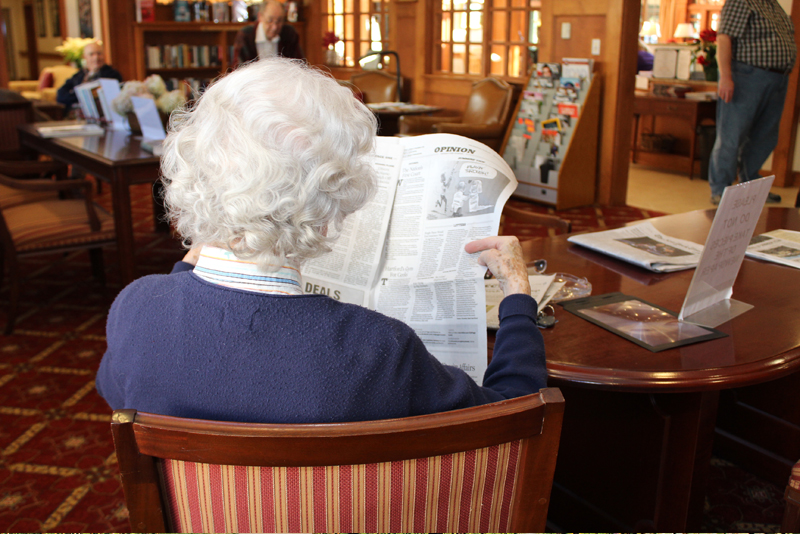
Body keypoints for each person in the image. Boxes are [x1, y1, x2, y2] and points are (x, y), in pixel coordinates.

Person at [95, 58, 547, 425]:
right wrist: (518, 298)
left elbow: (124, 391)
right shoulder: (375, 348)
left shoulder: (135, 308)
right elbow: (512, 411)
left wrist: (189, 268)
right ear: (334, 200)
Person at [708, 0, 796, 205]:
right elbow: (724, 37)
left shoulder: (773, 5)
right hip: (746, 76)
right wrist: (726, 76)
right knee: (731, 134)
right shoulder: (742, 1)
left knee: (765, 136)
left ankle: (749, 185)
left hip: (778, 78)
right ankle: (721, 188)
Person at [232, 0, 304, 67]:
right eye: (270, 20)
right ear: (260, 17)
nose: (274, 27)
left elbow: (299, 65)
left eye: (279, 21)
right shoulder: (245, 36)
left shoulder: (289, 34)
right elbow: (239, 69)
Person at [56, 41, 122, 112]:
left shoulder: (112, 75)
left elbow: (97, 96)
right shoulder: (79, 75)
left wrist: (76, 96)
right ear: (85, 57)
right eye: (91, 54)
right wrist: (81, 96)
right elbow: (60, 95)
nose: (96, 57)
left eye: (99, 54)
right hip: (73, 113)